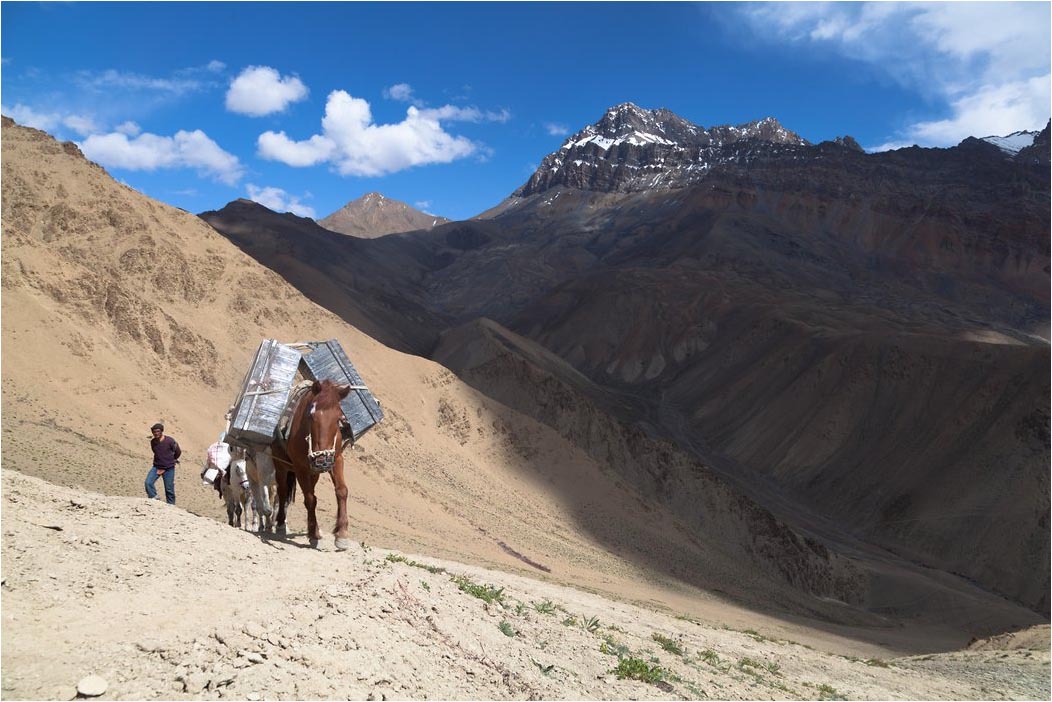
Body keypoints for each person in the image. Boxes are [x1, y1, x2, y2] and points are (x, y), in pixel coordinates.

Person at [145, 422, 181, 505]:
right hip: (156, 467)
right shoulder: (153, 442)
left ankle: (171, 505)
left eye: (158, 431)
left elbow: (178, 452)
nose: (156, 433)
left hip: (169, 468)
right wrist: (160, 466)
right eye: (154, 432)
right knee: (148, 483)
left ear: (162, 431)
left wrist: (172, 460)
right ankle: (154, 497)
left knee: (169, 489)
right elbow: (156, 452)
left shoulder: (170, 441)